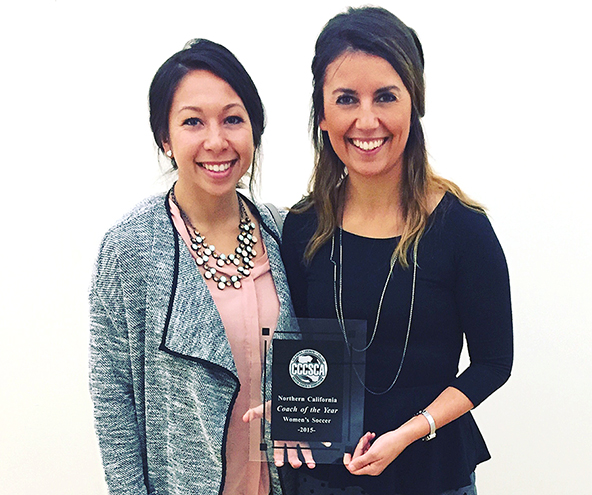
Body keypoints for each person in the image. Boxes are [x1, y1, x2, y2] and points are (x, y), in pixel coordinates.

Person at [280, 7, 513, 495]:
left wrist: (410, 432)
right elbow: (300, 351)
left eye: (386, 96)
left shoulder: (463, 230)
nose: (367, 120)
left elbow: (495, 362)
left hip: (432, 473)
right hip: (323, 480)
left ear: (414, 103)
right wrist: (278, 402)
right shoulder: (302, 228)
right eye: (346, 99)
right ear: (322, 115)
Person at [89, 39, 293, 495]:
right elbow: (113, 397)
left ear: (253, 131)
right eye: (193, 122)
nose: (216, 141)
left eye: (233, 119)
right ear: (166, 138)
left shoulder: (284, 231)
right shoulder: (132, 246)